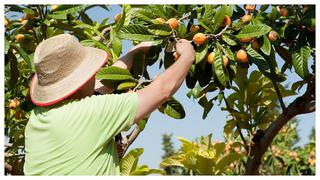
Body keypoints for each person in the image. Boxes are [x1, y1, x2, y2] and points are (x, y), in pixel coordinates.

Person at [24, 34, 195, 175]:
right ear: (81, 78)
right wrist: (187, 56)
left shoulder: (36, 119)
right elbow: (163, 88)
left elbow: (99, 85)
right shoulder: (92, 113)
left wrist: (137, 50)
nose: (94, 73)